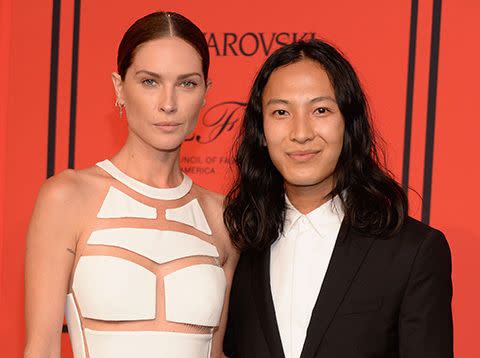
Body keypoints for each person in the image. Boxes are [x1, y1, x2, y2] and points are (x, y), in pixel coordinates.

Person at [24, 11, 238, 358]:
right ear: (120, 88)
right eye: (149, 81)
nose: (168, 103)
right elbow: (42, 349)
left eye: (187, 83)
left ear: (206, 93)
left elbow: (216, 352)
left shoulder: (221, 216)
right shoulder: (67, 198)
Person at [223, 39, 453, 358]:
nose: (301, 132)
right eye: (280, 112)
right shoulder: (236, 246)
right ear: (261, 131)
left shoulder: (412, 252)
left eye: (320, 110)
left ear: (349, 123)